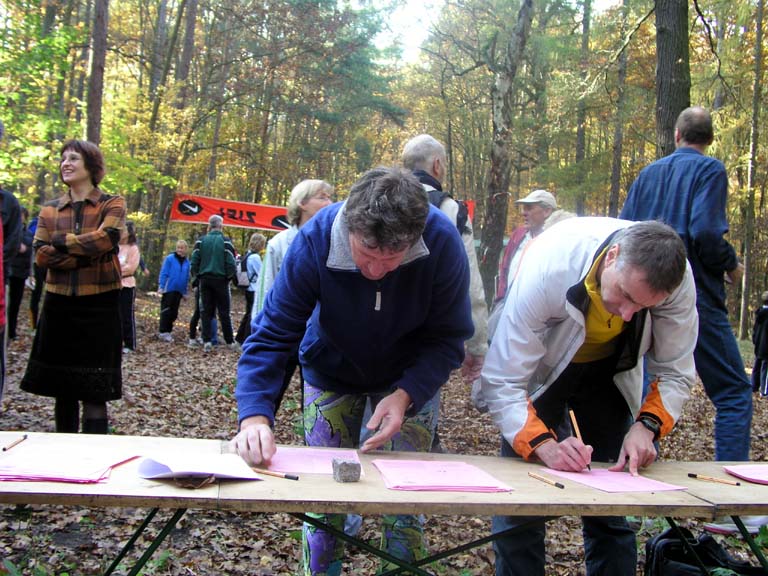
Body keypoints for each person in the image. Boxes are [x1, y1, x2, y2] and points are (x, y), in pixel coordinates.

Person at [233, 166, 473, 575]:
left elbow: (449, 338)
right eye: (367, 254)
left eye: (390, 259)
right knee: (324, 503)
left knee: (406, 504)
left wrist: (407, 394)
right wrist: (254, 415)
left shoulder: (441, 241)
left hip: (410, 374)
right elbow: (273, 333)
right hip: (331, 368)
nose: (375, 270)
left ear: (413, 238)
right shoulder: (316, 237)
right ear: (350, 227)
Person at [482, 217, 697, 576]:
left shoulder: (677, 280)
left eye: (642, 308)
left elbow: (675, 370)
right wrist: (543, 445)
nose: (627, 314)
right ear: (612, 257)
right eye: (625, 296)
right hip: (541, 369)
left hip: (609, 372)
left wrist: (646, 427)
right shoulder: (550, 264)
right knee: (522, 504)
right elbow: (504, 380)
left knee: (613, 506)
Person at [620, 106, 753, 462]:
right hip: (694, 297)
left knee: (645, 392)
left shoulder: (648, 173)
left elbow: (622, 230)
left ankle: (636, 481)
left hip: (638, 298)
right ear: (709, 139)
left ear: (677, 135)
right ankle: (730, 489)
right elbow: (706, 232)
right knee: (734, 391)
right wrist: (731, 264)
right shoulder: (710, 169)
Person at [21, 139, 126, 434]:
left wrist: (62, 242)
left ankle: (95, 452)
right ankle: (65, 452)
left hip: (100, 305)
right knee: (62, 388)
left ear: (91, 165)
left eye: (73, 158)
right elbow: (41, 255)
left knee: (95, 390)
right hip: (59, 306)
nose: (65, 164)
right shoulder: (49, 210)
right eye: (63, 159)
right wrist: (86, 256)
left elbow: (107, 239)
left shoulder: (112, 203)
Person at [401, 134, 488, 450]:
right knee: (412, 440)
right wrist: (477, 344)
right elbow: (470, 283)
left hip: (369, 335)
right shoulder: (451, 210)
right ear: (437, 165)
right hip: (425, 340)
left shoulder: (379, 197)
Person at [251, 179, 333, 411]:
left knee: (318, 407)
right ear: (302, 203)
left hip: (319, 339)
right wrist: (258, 335)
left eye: (330, 197)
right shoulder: (279, 243)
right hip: (285, 333)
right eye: (322, 197)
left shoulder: (334, 242)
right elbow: (265, 290)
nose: (329, 202)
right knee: (269, 398)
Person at [190, 214, 237, 353]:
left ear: (209, 226)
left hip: (205, 280)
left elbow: (194, 262)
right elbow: (231, 263)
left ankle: (207, 341)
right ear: (221, 226)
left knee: (205, 311)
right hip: (221, 280)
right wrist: (229, 278)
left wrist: (197, 278)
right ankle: (230, 341)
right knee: (224, 312)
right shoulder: (226, 241)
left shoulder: (201, 241)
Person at [6, 207, 33, 340]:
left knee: (15, 304)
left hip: (20, 273)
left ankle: (11, 331)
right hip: (8, 271)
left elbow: (27, 250)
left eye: (22, 215)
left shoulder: (28, 234)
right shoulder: (9, 230)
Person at [234, 232, 266, 345]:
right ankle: (246, 338)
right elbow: (262, 273)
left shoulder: (248, 255)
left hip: (248, 288)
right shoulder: (255, 258)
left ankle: (240, 337)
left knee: (248, 313)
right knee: (251, 315)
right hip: (254, 289)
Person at [157, 239, 191, 342]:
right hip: (169, 288)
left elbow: (186, 278)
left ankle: (168, 331)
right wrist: (161, 286)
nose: (180, 250)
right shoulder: (170, 259)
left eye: (182, 248)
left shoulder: (187, 262)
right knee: (166, 310)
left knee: (174, 312)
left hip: (179, 290)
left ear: (185, 249)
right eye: (178, 248)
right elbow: (164, 272)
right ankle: (163, 331)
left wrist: (185, 292)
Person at [118, 221, 140, 353]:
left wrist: (116, 271)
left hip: (127, 285)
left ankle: (129, 344)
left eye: (124, 230)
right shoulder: (114, 247)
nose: (121, 233)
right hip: (112, 286)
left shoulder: (133, 249)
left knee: (126, 315)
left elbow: (131, 268)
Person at [752, 291, 768, 397]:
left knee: (757, 365)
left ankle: (754, 386)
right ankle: (764, 390)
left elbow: (755, 330)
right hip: (766, 345)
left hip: (759, 345)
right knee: (765, 368)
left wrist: (755, 341)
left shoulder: (759, 313)